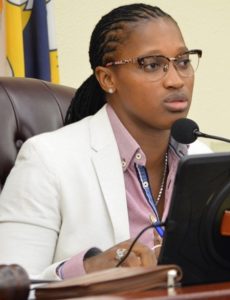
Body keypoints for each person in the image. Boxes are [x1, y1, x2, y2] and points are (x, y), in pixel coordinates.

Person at [0, 3, 211, 280]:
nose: (175, 80)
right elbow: (11, 285)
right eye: (152, 65)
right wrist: (87, 269)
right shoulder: (48, 159)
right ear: (108, 78)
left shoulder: (201, 157)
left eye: (183, 61)